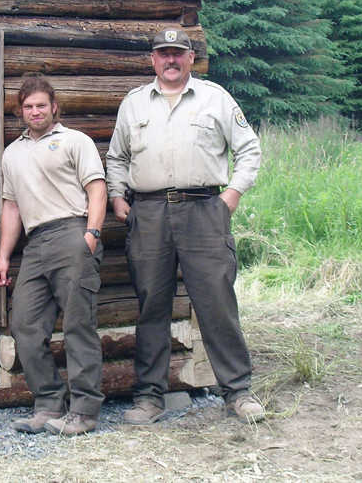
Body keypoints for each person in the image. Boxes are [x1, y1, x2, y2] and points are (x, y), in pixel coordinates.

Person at [105, 28, 265, 424]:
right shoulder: (134, 104)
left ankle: (238, 392)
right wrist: (117, 195)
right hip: (150, 213)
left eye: (178, 53)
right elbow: (117, 157)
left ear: (191, 58)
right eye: (163, 54)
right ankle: (149, 397)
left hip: (204, 210)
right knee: (151, 305)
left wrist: (232, 196)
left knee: (217, 302)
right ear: (153, 60)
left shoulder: (216, 98)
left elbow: (249, 150)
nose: (171, 60)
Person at [0, 74, 107, 436]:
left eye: (41, 105)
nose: (35, 111)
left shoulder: (76, 141)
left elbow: (97, 189)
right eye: (28, 107)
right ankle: (47, 403)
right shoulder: (13, 153)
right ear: (20, 111)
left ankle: (84, 411)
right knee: (25, 325)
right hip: (35, 243)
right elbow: (11, 208)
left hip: (73, 232)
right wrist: (3, 256)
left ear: (54, 106)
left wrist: (90, 234)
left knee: (78, 325)